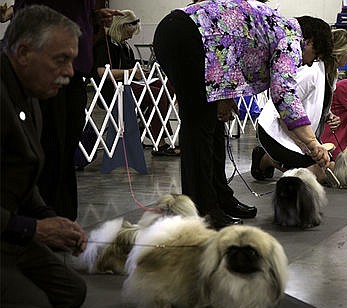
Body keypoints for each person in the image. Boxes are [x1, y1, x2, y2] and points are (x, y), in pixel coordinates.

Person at [153, 0, 331, 228]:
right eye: (314, 57)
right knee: (199, 128)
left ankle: (219, 197)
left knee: (213, 125)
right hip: (187, 36)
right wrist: (313, 143)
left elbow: (233, 47)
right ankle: (203, 211)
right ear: (309, 41)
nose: (307, 64)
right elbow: (283, 94)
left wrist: (226, 95)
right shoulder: (290, 40)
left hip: (189, 36)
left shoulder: (274, 29)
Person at [1, 5, 88, 308]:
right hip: (8, 231)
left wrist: (50, 217)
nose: (69, 72)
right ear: (23, 52)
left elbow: (22, 175)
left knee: (72, 292)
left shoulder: (31, 96)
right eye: (61, 60)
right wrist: (34, 229)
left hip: (9, 235)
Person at [13, 0, 122, 221]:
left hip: (75, 67)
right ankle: (41, 219)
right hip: (45, 60)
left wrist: (93, 17)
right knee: (48, 145)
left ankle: (62, 216)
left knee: (67, 144)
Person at [252, 28, 347, 186]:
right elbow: (284, 110)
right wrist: (305, 145)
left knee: (331, 168)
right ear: (339, 54)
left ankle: (279, 160)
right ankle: (266, 159)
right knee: (316, 175)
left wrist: (329, 115)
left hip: (301, 133)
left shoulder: (331, 73)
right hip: (276, 129)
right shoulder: (311, 72)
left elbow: (315, 102)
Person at [93, 9, 180, 156]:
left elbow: (133, 70)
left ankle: (146, 125)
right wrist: (131, 72)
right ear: (120, 28)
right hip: (112, 91)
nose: (131, 36)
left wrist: (141, 73)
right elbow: (101, 72)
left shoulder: (125, 47)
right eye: (129, 33)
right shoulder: (105, 45)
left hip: (129, 85)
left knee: (167, 86)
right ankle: (159, 142)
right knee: (156, 94)